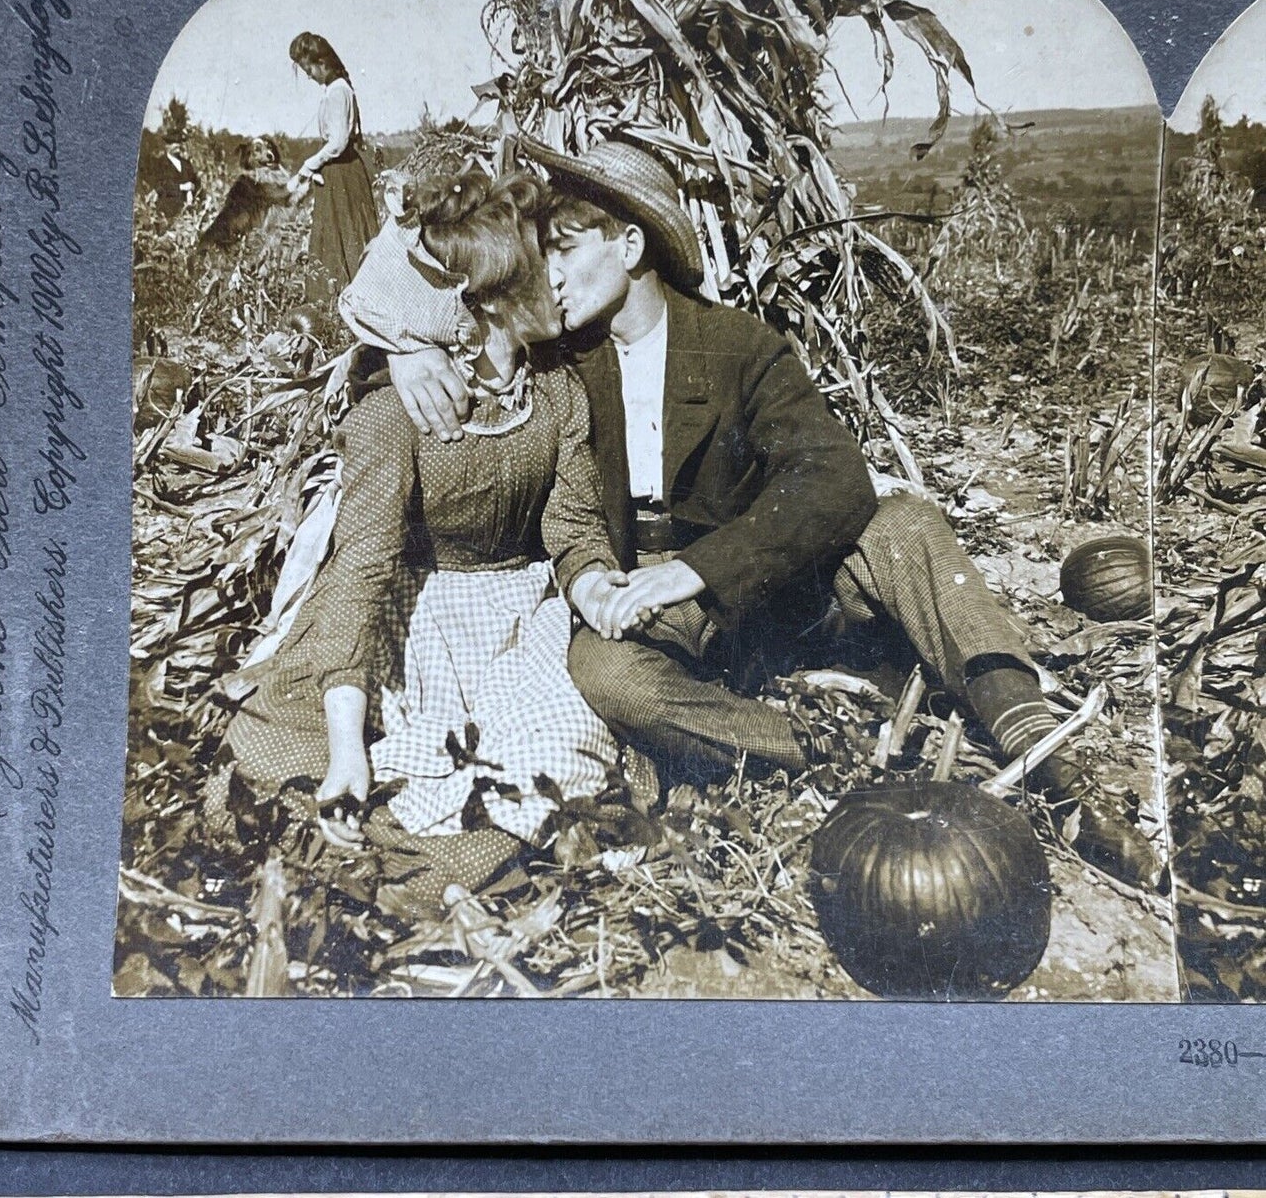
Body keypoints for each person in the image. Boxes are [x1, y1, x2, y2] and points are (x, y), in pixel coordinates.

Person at [343, 136, 1159, 887]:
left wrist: (697, 569)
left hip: (761, 592)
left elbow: (833, 476)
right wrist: (405, 348)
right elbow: (402, 254)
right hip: (657, 621)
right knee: (601, 670)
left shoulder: (736, 345)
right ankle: (831, 752)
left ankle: (1044, 754)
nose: (545, 274)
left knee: (902, 521)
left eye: (563, 248)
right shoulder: (556, 359)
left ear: (629, 248)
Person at [207, 167, 623, 906]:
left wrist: (595, 585)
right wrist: (344, 748)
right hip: (412, 615)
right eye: (542, 266)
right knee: (306, 757)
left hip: (523, 619)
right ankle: (409, 854)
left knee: (553, 753)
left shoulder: (555, 386)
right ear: (486, 298)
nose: (561, 280)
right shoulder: (392, 411)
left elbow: (571, 523)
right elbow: (361, 566)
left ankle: (453, 859)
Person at [285, 32, 380, 288]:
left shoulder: (339, 91)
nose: (309, 75)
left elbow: (337, 143)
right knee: (336, 238)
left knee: (345, 237)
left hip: (343, 174)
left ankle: (346, 299)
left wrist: (308, 166)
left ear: (322, 63)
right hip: (338, 173)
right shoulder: (334, 90)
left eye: (309, 69)